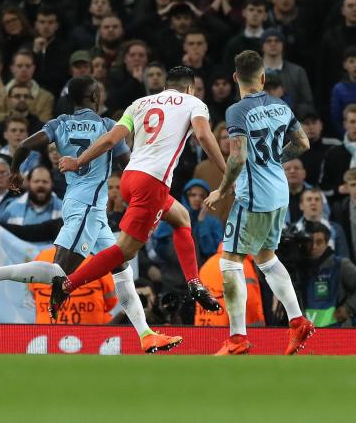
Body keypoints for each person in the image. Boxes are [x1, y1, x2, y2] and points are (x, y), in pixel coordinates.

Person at [0, 76, 181, 353]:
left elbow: (23, 146)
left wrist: (16, 171)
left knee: (121, 269)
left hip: (83, 204)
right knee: (62, 273)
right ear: (95, 98)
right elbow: (128, 164)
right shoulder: (107, 127)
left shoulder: (60, 124)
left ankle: (146, 334)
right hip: (89, 207)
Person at [53, 67, 226, 319]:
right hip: (152, 183)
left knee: (181, 218)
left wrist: (78, 161)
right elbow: (202, 134)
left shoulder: (140, 103)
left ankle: (194, 283)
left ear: (167, 85)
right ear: (191, 88)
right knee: (125, 250)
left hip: (130, 177)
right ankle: (66, 285)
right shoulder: (194, 103)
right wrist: (227, 170)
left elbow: (111, 139)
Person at [202, 50, 314, 356]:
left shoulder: (237, 112)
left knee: (228, 261)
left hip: (254, 197)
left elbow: (237, 157)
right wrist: (276, 159)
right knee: (266, 258)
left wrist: (222, 191)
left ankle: (237, 338)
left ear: (236, 78)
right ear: (263, 77)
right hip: (280, 193)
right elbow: (303, 143)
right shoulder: (281, 105)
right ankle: (298, 320)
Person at [294, 220, 356, 328]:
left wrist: (348, 308)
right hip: (306, 334)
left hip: (338, 331)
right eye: (310, 242)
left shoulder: (340, 265)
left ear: (327, 243)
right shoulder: (297, 267)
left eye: (319, 242)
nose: (314, 247)